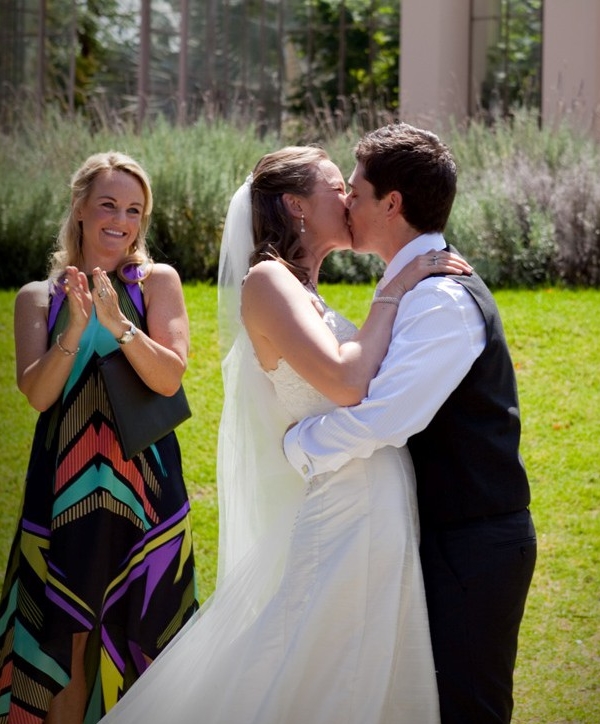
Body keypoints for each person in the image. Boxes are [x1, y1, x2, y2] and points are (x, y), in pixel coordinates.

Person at [97, 146, 472, 724]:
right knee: (318, 669)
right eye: (336, 187)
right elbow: (347, 382)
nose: (349, 198)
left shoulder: (302, 289)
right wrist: (394, 290)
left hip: (374, 501)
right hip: (343, 506)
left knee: (364, 668)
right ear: (296, 205)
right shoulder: (268, 281)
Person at [284, 124, 537, 724]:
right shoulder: (414, 286)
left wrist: (299, 446)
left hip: (473, 545)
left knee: (466, 709)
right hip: (443, 535)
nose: (346, 201)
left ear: (391, 204)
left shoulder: (441, 297)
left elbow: (387, 417)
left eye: (355, 191)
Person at [0, 151, 198, 724]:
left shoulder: (157, 283)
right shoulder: (38, 298)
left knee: (151, 632)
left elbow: (168, 377)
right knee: (66, 638)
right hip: (64, 487)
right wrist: (76, 329)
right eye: (109, 205)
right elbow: (39, 395)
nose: (121, 220)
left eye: (134, 210)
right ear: (81, 208)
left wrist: (119, 325)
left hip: (146, 483)